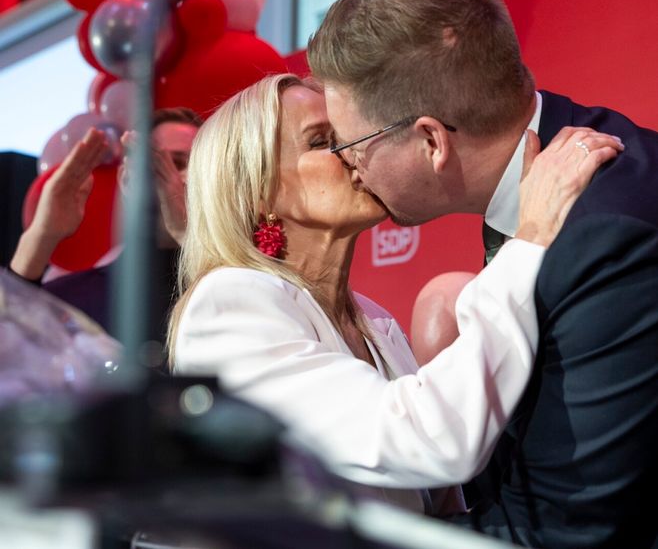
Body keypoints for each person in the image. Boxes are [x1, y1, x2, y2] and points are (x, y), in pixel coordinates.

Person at [306, 0, 658, 548]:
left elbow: (567, 527)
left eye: (348, 145)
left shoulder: (603, 236)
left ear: (431, 142)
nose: (348, 167)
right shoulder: (545, 177)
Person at [167, 73, 620, 515]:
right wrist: (531, 234)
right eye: (322, 141)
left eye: (349, 134)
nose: (354, 152)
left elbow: (438, 503)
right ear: (258, 191)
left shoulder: (373, 319)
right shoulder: (231, 301)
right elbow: (430, 439)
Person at [10, 108, 201, 353]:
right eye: (169, 162)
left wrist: (189, 238)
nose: (184, 179)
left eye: (199, 168)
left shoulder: (233, 282)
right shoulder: (73, 299)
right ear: (127, 180)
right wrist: (40, 237)